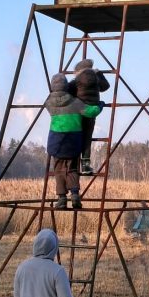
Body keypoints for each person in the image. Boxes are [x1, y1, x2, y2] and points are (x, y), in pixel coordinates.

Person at [45, 73, 104, 209]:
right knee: (72, 169)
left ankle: (61, 199)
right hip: (73, 141)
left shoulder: (48, 102)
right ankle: (75, 195)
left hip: (56, 141)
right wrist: (100, 105)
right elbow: (91, 112)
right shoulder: (75, 102)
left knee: (59, 170)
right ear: (66, 86)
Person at [68, 59, 110, 175]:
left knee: (76, 137)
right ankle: (86, 167)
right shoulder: (96, 79)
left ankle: (73, 165)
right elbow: (106, 86)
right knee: (87, 139)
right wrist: (99, 73)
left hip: (79, 113)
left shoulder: (76, 81)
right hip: (92, 113)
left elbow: (68, 91)